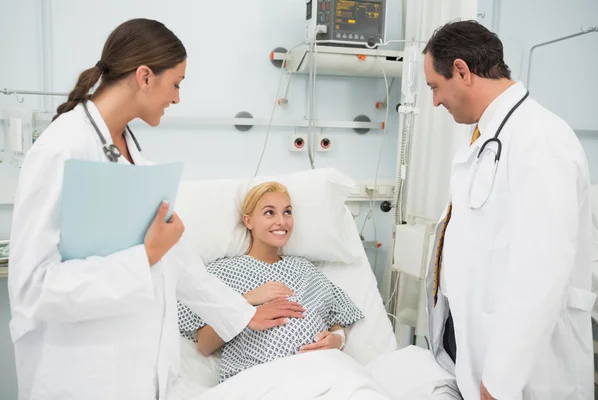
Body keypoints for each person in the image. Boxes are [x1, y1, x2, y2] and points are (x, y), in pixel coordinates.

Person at [7, 18, 304, 400]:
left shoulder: (132, 154)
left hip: (140, 373)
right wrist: (144, 255)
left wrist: (242, 315)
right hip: (81, 375)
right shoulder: (61, 148)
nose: (177, 98)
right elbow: (33, 289)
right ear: (145, 76)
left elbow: (175, 261)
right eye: (176, 83)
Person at [422, 20, 595, 399]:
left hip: (527, 375)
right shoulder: (487, 138)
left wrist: (499, 382)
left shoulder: (541, 139)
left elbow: (540, 271)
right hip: (481, 353)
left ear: (462, 71)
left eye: (435, 87)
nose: (435, 101)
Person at [177, 181, 365, 382]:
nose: (282, 221)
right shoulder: (222, 272)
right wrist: (246, 303)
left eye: (287, 212)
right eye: (269, 213)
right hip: (259, 380)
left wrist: (338, 339)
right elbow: (204, 345)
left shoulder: (306, 268)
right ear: (248, 222)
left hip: (321, 372)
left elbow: (336, 317)